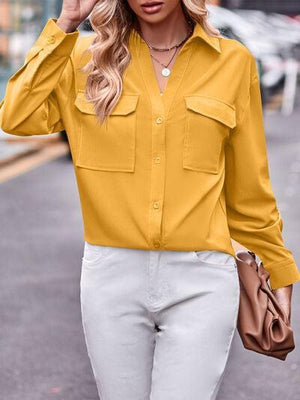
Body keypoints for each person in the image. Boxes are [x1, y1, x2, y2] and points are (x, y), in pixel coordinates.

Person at [1, 1, 300, 399]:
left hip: (202, 279)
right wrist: (66, 23)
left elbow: (249, 191)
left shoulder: (233, 62)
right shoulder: (81, 56)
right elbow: (16, 116)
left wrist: (279, 267)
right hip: (111, 277)